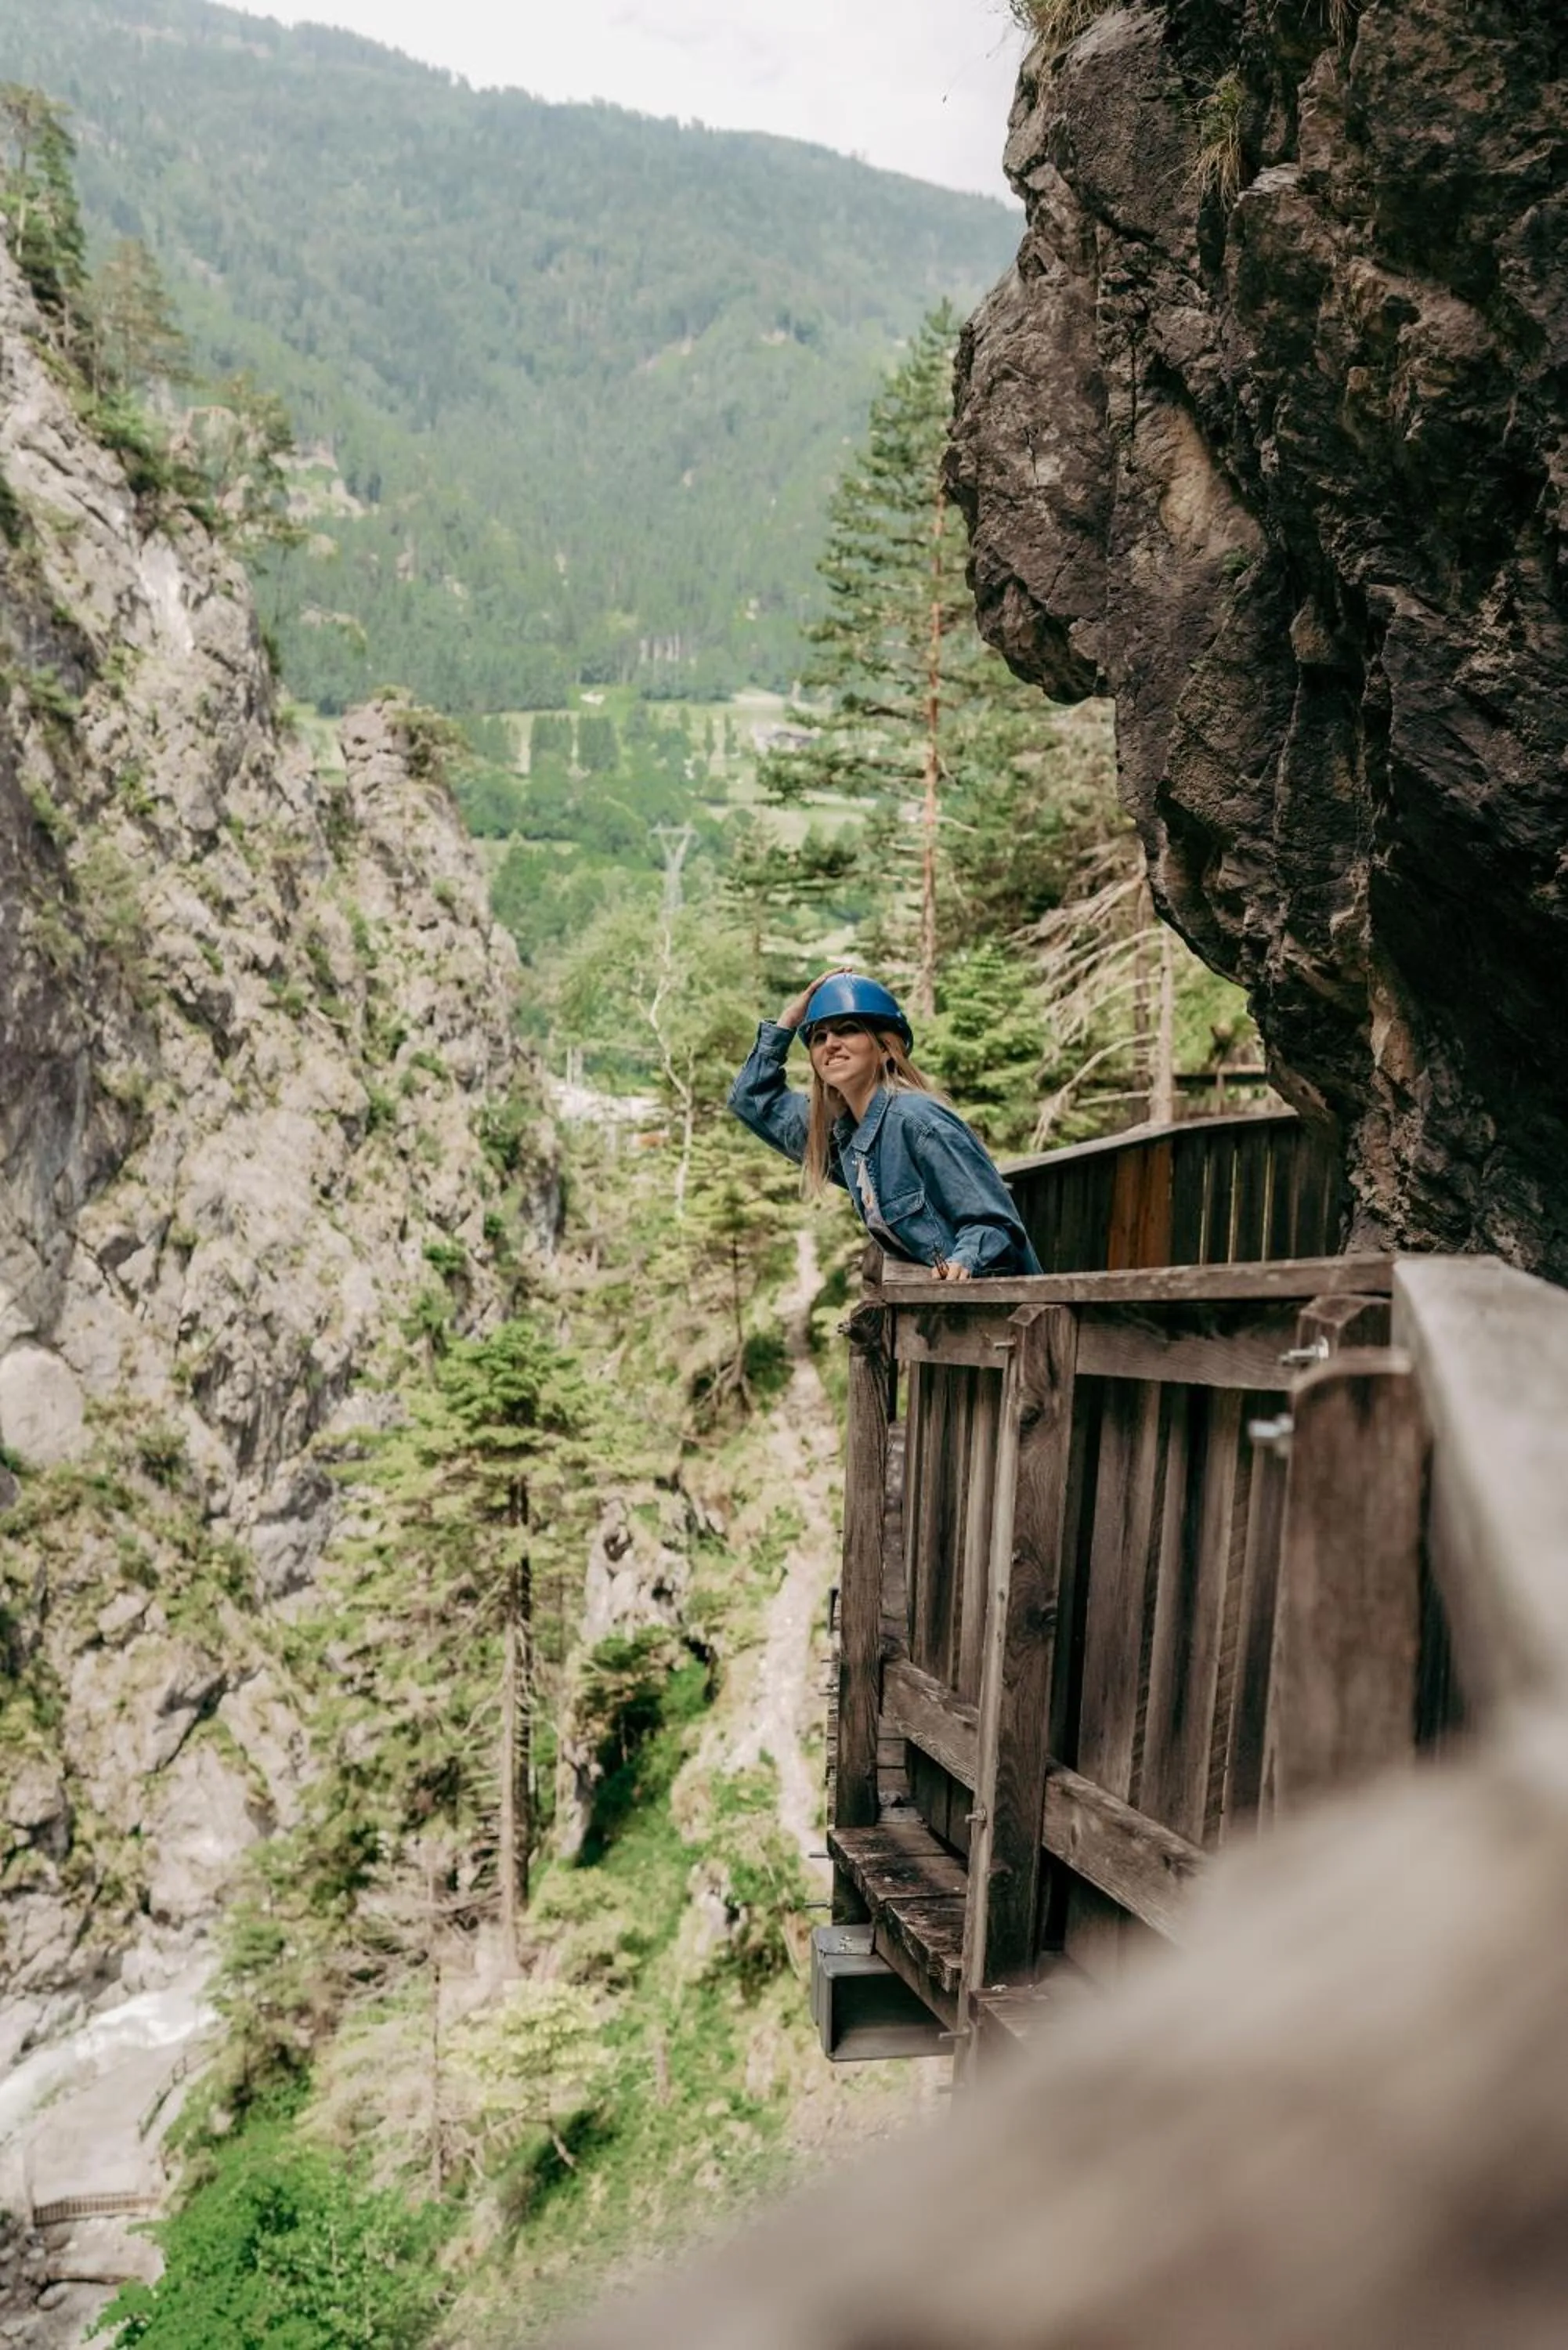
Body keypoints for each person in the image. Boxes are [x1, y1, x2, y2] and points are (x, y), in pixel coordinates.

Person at [728, 968, 1042, 1280]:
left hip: (1002, 1311)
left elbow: (996, 1228)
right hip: (943, 1315)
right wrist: (787, 1022)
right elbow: (751, 1100)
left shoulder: (917, 1121)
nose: (830, 1044)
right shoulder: (845, 1134)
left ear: (885, 1049)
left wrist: (965, 1261)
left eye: (848, 1029)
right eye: (819, 1037)